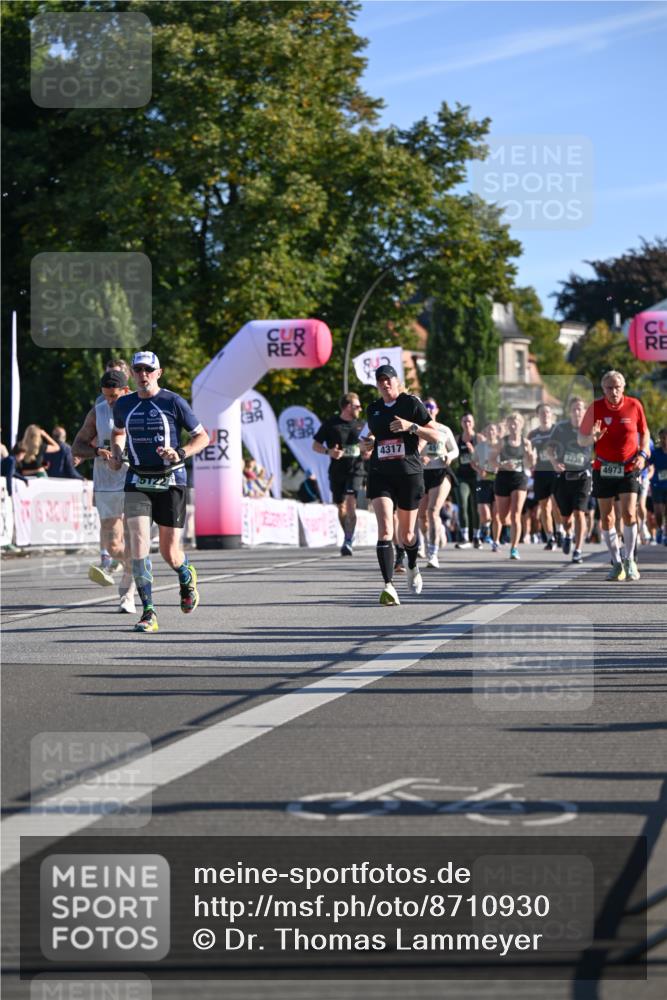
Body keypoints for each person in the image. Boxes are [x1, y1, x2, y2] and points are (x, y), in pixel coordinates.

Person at [110, 351, 209, 632]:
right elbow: (118, 432)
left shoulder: (173, 402)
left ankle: (186, 574)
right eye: (138, 370)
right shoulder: (124, 404)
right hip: (138, 479)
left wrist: (179, 452)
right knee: (138, 544)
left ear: (158, 373)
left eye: (148, 370)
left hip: (170, 479)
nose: (143, 375)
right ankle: (149, 612)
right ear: (132, 373)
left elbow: (203, 437)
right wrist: (117, 451)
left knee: (169, 552)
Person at [359, 365, 439, 605]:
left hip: (408, 474)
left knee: (406, 534)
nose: (385, 384)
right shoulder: (373, 409)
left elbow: (436, 436)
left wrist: (410, 426)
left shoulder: (411, 403)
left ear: (396, 381)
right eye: (380, 381)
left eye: (388, 379)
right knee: (385, 529)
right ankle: (388, 586)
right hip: (380, 473)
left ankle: (412, 565)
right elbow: (374, 437)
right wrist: (368, 445)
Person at [72, 370, 137, 611]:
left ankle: (127, 595)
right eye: (106, 396)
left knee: (132, 536)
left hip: (133, 480)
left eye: (114, 396)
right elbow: (77, 446)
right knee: (113, 546)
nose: (110, 401)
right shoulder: (98, 412)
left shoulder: (136, 409)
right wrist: (97, 452)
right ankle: (135, 564)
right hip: (106, 484)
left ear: (126, 391)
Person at [578, 370, 649, 581]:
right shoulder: (595, 408)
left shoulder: (634, 405)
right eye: (609, 387)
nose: (614, 391)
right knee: (607, 516)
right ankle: (616, 561)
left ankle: (630, 560)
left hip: (628, 467)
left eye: (617, 386)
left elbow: (644, 432)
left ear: (623, 387)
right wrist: (593, 437)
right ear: (603, 389)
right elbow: (581, 440)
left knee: (628, 513)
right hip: (604, 467)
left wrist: (643, 454)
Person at [312, 392, 365, 556]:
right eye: (357, 406)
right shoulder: (331, 424)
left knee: (350, 503)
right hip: (337, 471)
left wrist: (368, 450)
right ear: (348, 406)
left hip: (356, 470)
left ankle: (348, 540)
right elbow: (315, 445)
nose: (360, 409)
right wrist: (329, 451)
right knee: (341, 507)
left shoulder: (362, 425)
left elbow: (371, 443)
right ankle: (347, 536)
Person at [548, 397, 592, 564]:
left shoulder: (590, 428)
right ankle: (568, 533)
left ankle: (578, 550)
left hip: (583, 476)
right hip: (564, 477)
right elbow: (550, 449)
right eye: (574, 409)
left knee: (579, 513)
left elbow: (600, 447)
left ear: (585, 411)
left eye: (580, 409)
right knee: (566, 518)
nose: (577, 412)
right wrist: (554, 463)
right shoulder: (560, 428)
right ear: (569, 412)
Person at [417, 397, 459, 568]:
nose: (429, 409)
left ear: (437, 409)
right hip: (422, 474)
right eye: (425, 407)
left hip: (441, 472)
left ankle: (433, 554)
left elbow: (455, 449)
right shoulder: (417, 429)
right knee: (422, 516)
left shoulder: (444, 429)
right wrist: (420, 458)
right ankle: (435, 533)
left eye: (431, 407)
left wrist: (448, 456)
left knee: (433, 510)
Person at [491, 412, 536, 559]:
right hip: (503, 478)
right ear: (508, 426)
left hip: (519, 478)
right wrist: (503, 464)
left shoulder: (526, 442)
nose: (513, 425)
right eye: (511, 422)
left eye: (516, 422)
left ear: (521, 425)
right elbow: (491, 460)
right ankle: (506, 532)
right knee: (503, 518)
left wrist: (530, 456)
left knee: (516, 514)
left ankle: (514, 548)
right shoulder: (502, 442)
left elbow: (530, 464)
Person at [528, 403, 559, 549]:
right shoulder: (532, 435)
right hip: (540, 473)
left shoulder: (558, 430)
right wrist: (530, 460)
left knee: (556, 504)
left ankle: (560, 532)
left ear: (551, 414)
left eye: (547, 412)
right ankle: (550, 537)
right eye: (542, 413)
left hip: (556, 471)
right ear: (537, 415)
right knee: (544, 507)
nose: (545, 415)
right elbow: (527, 457)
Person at [472, 422, 500, 550]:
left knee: (496, 514)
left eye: (493, 430)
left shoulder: (502, 446)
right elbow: (473, 462)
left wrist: (500, 469)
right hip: (482, 480)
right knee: (484, 512)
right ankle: (486, 526)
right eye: (488, 430)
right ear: (485, 432)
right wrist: (479, 470)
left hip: (497, 481)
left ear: (497, 432)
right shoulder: (479, 447)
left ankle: (496, 541)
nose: (491, 432)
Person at [454, 413, 479, 549]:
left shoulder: (479, 438)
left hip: (476, 476)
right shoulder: (458, 438)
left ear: (473, 423)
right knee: (462, 504)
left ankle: (476, 536)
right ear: (461, 424)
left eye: (469, 421)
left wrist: (473, 451)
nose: (467, 424)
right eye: (464, 421)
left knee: (476, 506)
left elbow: (485, 457)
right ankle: (464, 536)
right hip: (462, 476)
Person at [649, 428, 667, 545]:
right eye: (662, 438)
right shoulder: (655, 452)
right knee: (659, 512)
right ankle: (660, 529)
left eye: (666, 438)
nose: (664, 441)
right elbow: (647, 464)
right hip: (657, 485)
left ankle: (665, 534)